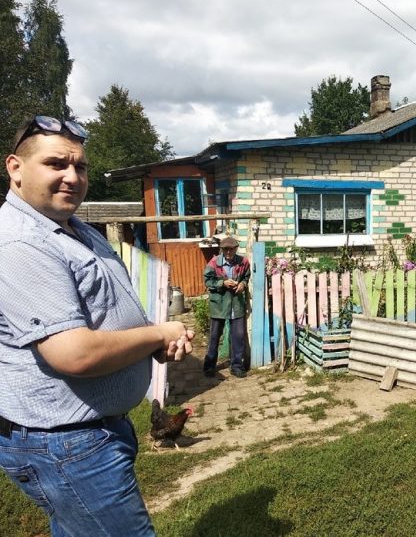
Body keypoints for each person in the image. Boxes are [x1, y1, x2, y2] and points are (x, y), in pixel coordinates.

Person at [0, 115, 195, 536]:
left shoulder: (74, 229)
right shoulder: (20, 244)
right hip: (66, 444)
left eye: (81, 167)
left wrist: (147, 346)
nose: (72, 177)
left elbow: (104, 316)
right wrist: (159, 334)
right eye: (56, 164)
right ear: (15, 168)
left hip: (88, 436)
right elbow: (75, 354)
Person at [203, 236, 251, 378]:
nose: (229, 252)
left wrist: (242, 284)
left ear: (236, 248)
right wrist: (222, 284)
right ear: (222, 249)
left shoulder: (243, 262)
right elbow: (207, 280)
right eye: (225, 249)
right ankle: (209, 366)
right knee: (214, 336)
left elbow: (246, 277)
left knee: (238, 336)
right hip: (219, 304)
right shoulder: (214, 263)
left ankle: (236, 366)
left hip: (236, 304)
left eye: (231, 249)